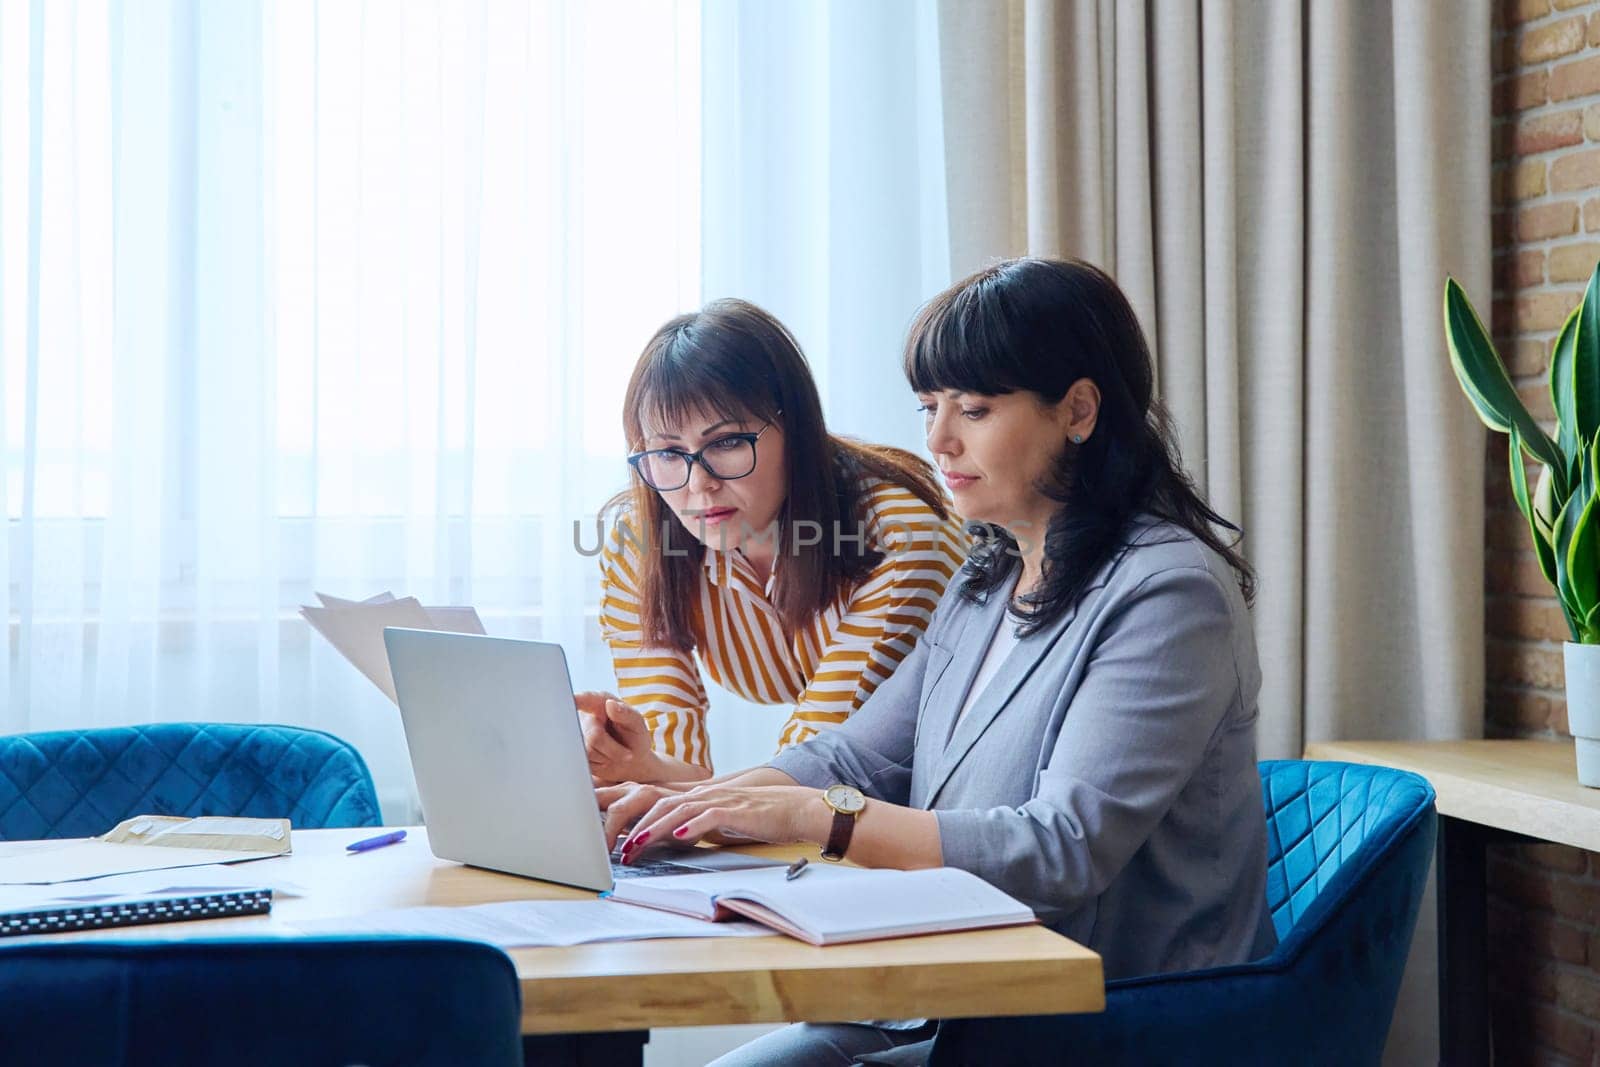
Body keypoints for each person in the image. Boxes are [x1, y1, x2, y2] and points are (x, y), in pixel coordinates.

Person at [600, 258, 1277, 1066]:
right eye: (929, 406)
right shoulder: (989, 575)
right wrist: (689, 801)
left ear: (1080, 410)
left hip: (1100, 1024)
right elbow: (855, 754)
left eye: (975, 409)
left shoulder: (1166, 593)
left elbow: (1060, 848)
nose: (938, 440)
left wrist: (810, 816)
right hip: (949, 1006)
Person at [581, 298, 969, 786]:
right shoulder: (641, 541)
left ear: (796, 430)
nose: (698, 484)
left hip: (944, 783)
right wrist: (627, 763)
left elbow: (815, 764)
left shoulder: (897, 538)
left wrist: (675, 798)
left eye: (726, 443)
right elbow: (670, 757)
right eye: (668, 452)